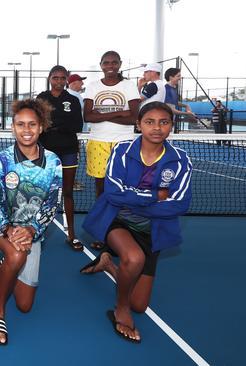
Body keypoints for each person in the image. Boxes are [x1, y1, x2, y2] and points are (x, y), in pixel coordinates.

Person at [80, 102, 192, 343]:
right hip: (116, 218)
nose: (157, 128)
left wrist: (133, 199)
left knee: (140, 305)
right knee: (134, 258)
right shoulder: (121, 150)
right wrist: (154, 196)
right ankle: (121, 309)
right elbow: (112, 193)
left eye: (164, 122)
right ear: (138, 124)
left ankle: (108, 263)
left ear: (172, 126)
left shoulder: (180, 160)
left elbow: (180, 204)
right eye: (150, 121)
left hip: (153, 230)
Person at [0, 99, 62, 346]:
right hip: (0, 225)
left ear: (41, 127)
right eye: (20, 124)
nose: (26, 130)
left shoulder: (54, 162)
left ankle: (6, 262)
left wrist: (31, 229)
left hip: (33, 233)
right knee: (17, 256)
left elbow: (52, 204)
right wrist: (8, 229)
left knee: (25, 305)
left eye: (32, 125)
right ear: (13, 127)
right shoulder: (2, 160)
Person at [83, 50, 141, 250]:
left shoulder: (129, 86)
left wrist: (104, 114)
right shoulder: (92, 87)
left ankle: (124, 231)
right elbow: (88, 117)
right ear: (101, 65)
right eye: (106, 62)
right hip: (98, 141)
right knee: (101, 189)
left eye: (114, 62)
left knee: (123, 188)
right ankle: (103, 231)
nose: (110, 66)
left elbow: (134, 118)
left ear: (120, 64)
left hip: (123, 142)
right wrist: (119, 112)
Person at [37, 65, 84, 250]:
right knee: (41, 192)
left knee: (68, 192)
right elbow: (40, 123)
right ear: (50, 78)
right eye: (55, 77)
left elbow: (77, 125)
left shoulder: (72, 100)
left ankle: (72, 235)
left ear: (66, 80)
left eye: (62, 78)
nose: (58, 81)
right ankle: (36, 232)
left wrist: (55, 125)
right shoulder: (42, 98)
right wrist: (58, 125)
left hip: (69, 151)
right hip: (46, 152)